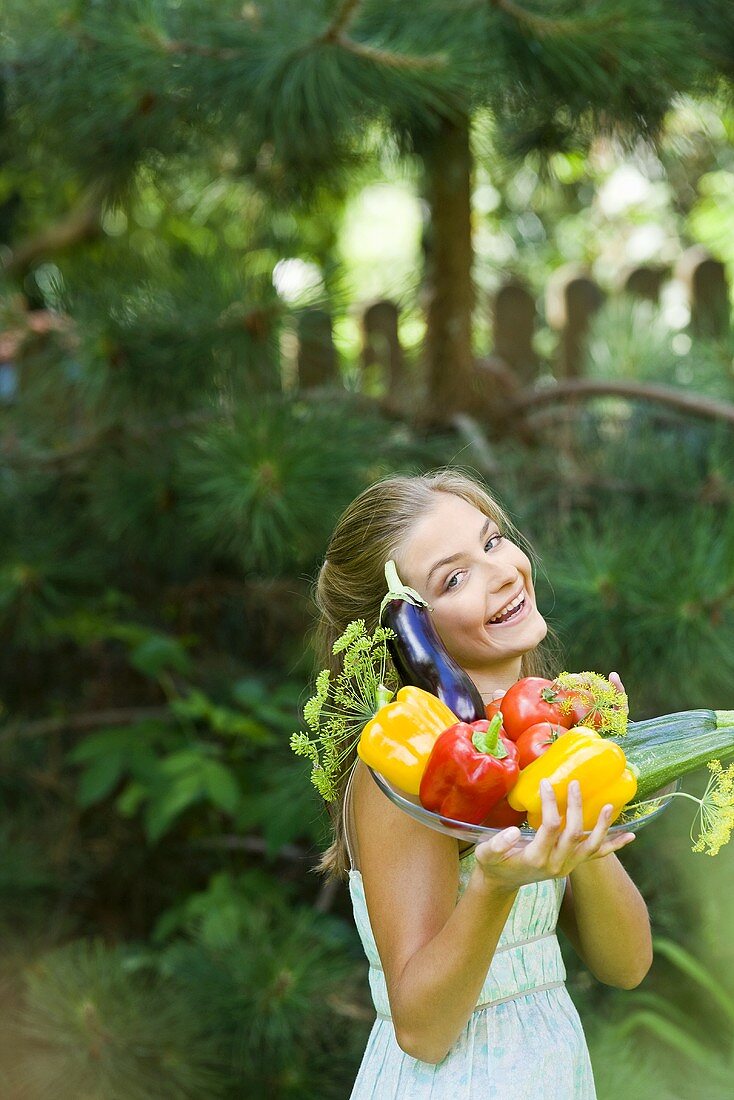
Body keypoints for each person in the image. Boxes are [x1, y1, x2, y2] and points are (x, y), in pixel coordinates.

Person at [313, 469, 652, 1099]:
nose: (500, 572)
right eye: (454, 577)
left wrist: (586, 828)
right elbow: (423, 1030)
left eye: (492, 542)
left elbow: (625, 965)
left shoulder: (541, 738)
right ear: (405, 631)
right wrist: (494, 886)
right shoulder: (406, 770)